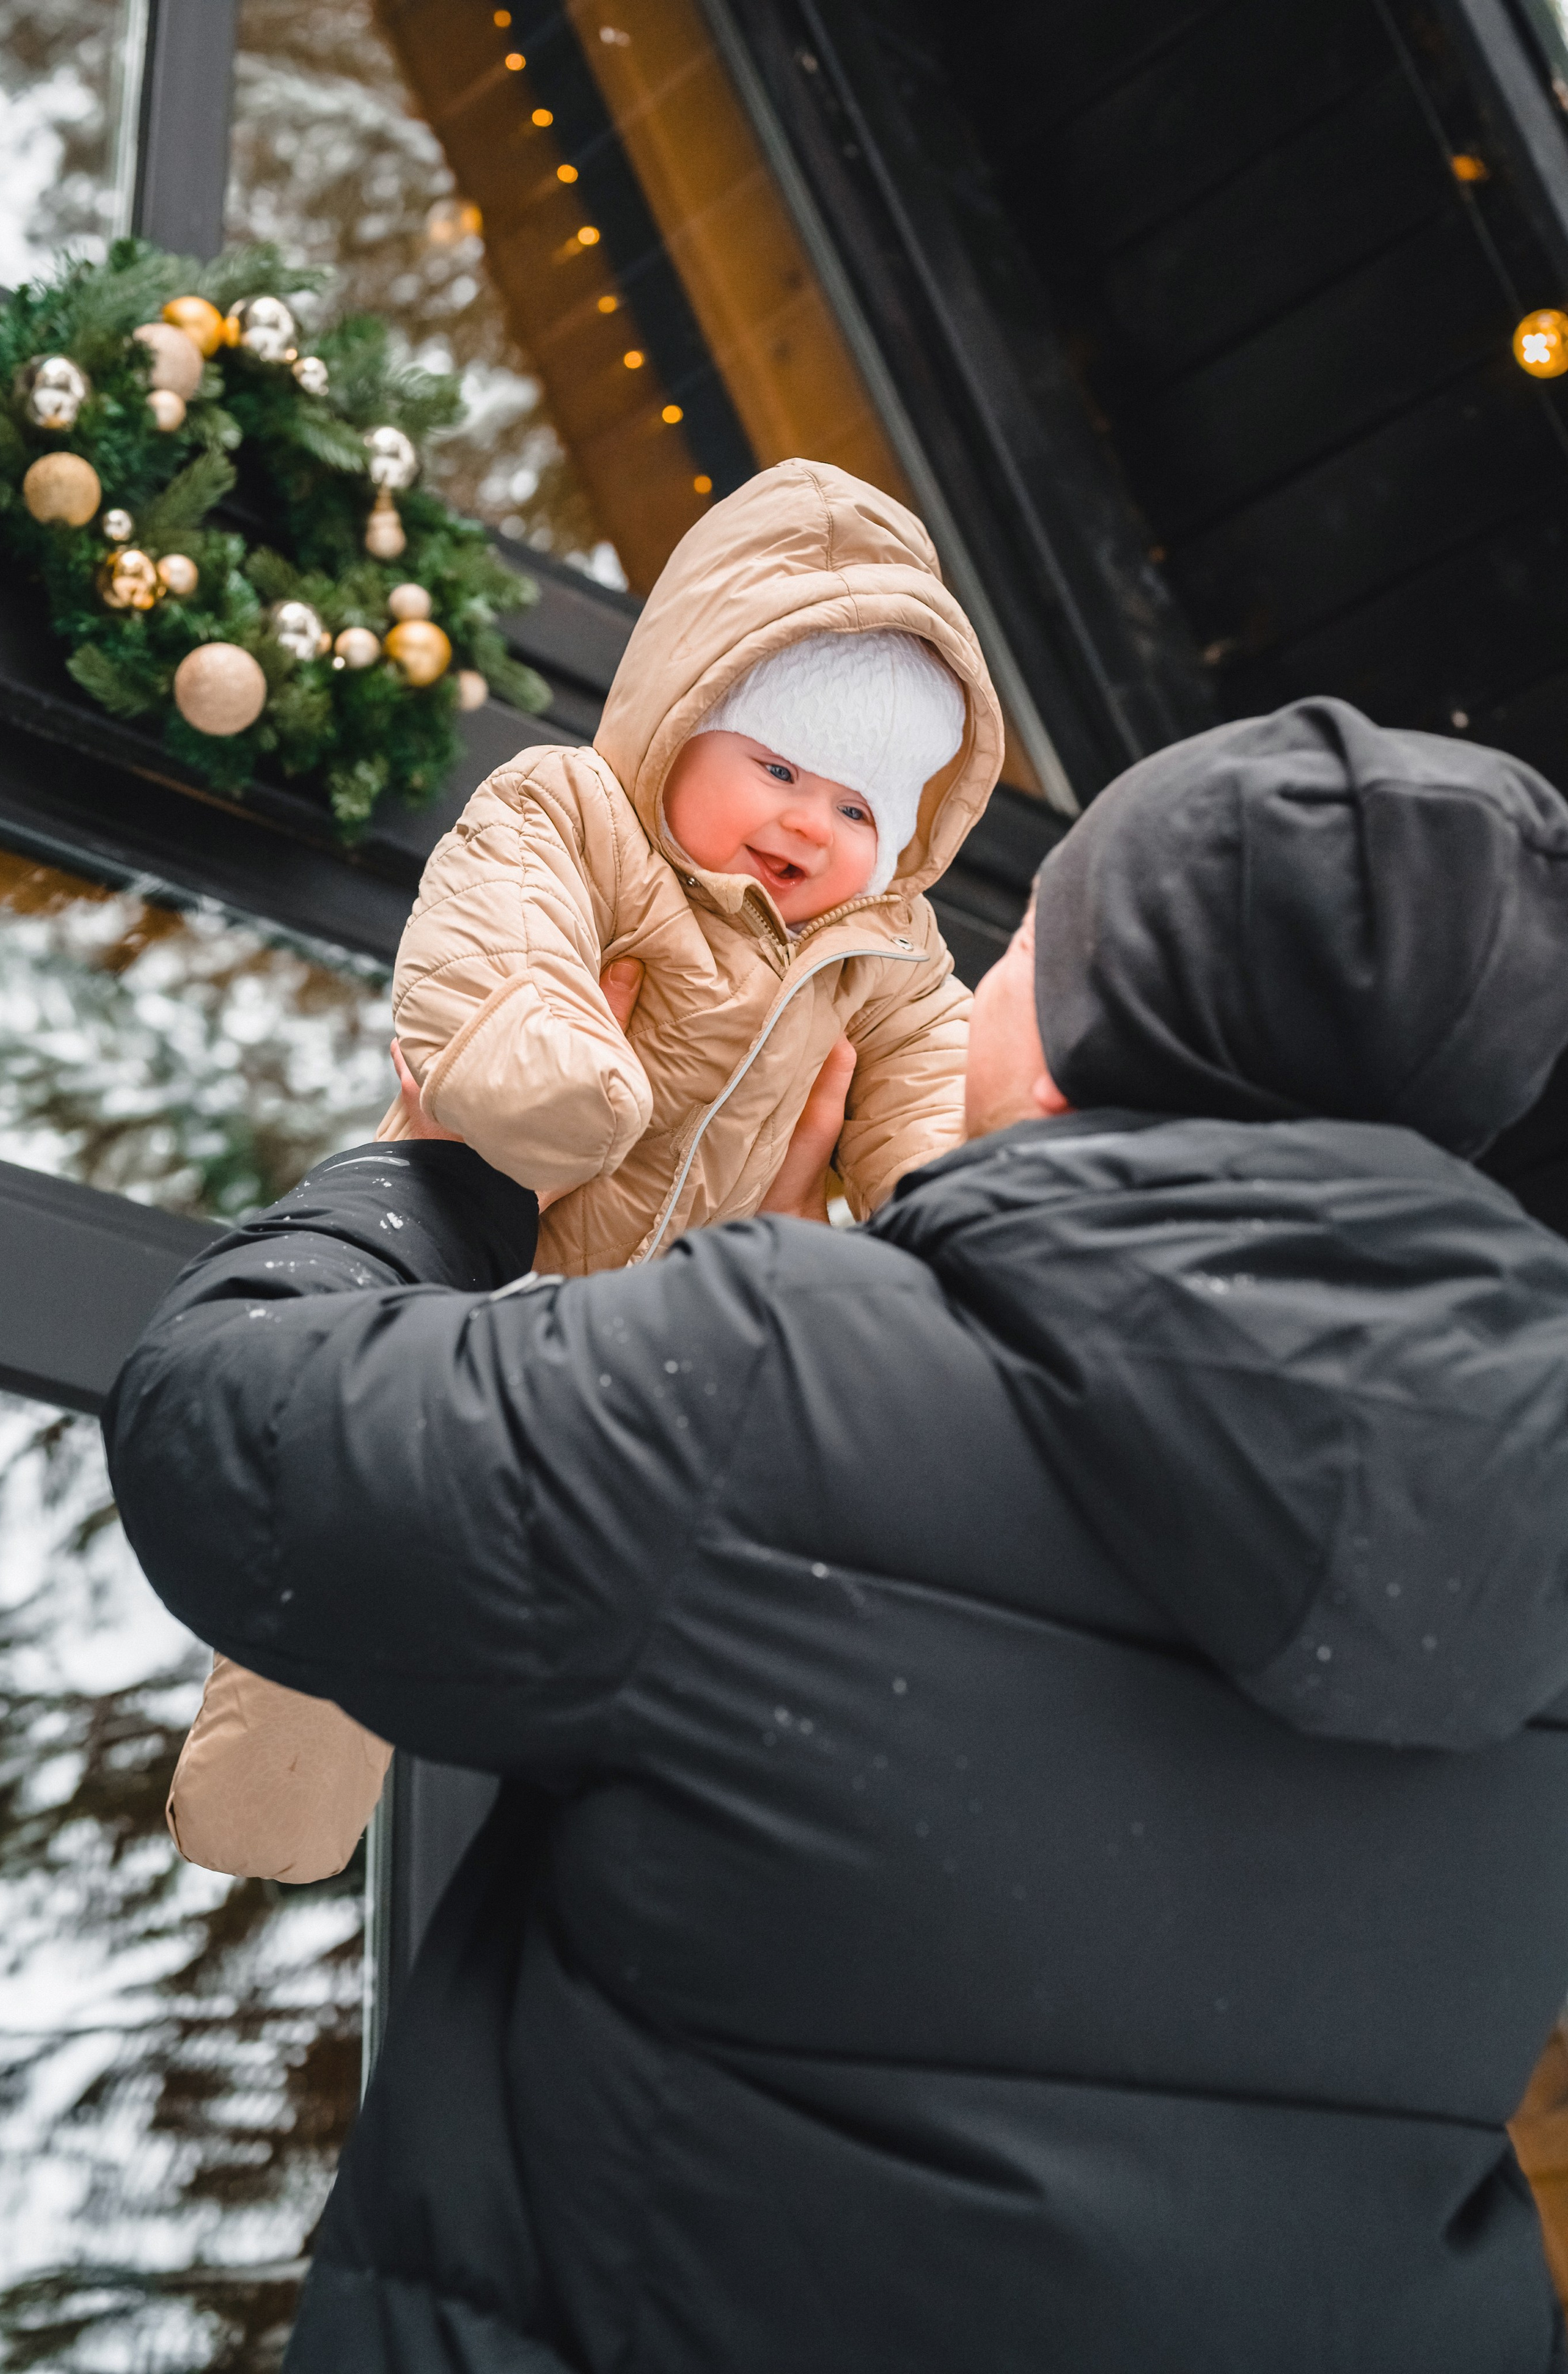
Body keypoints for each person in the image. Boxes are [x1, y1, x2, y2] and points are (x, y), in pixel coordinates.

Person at [107, 696, 1568, 2372]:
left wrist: (446, 1175)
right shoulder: (1529, 1555)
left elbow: (223, 1430)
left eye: (1028, 939)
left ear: (1076, 1030)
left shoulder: (779, 1379)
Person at [162, 454, 1002, 1887]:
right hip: (481, 1245)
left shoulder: (883, 953)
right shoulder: (576, 813)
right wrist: (546, 1066)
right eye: (778, 767)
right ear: (683, 716)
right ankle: (268, 1812)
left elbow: (930, 1097)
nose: (808, 822)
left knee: (617, 1626)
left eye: (861, 809)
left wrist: (946, 1217)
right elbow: (497, 936)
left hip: (656, 1346)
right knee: (364, 1507)